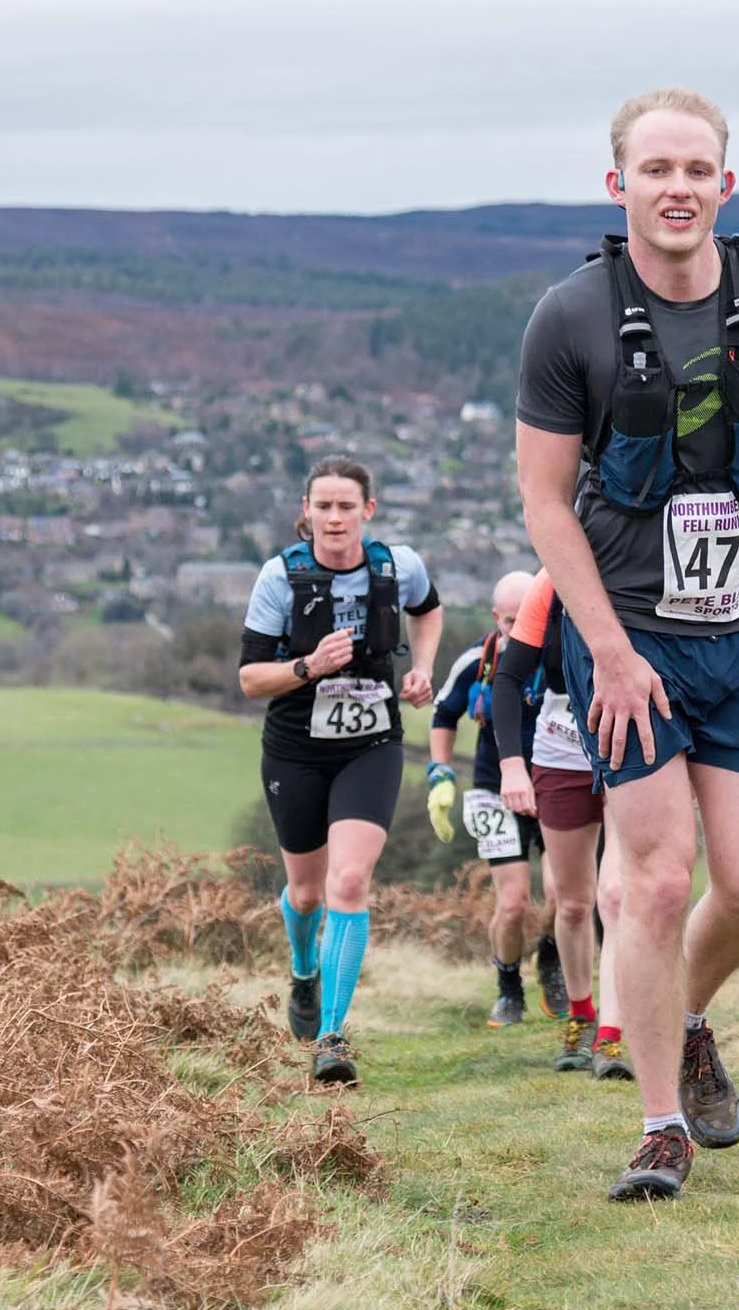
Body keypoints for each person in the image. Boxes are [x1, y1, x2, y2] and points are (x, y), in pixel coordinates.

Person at [516, 87, 739, 1200]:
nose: (676, 187)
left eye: (695, 169)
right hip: (630, 640)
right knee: (653, 881)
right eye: (653, 169)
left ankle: (691, 1017)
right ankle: (658, 1121)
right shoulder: (568, 317)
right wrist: (607, 651)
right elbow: (545, 502)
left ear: (725, 183)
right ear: (617, 186)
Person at [237, 455, 443, 1088]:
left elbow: (428, 611)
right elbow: (249, 680)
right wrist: (308, 667)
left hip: (371, 742)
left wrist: (422, 669)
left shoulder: (396, 566)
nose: (334, 517)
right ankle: (304, 969)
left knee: (348, 882)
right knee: (305, 893)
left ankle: (331, 1036)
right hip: (297, 748)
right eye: (322, 505)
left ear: (367, 512)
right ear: (306, 511)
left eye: (346, 506)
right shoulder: (280, 578)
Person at [488, 571, 633, 1079]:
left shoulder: (641, 564)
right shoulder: (550, 583)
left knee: (616, 895)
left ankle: (612, 1039)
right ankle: (582, 1016)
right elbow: (507, 678)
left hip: (630, 747)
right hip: (560, 754)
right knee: (572, 902)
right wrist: (511, 764)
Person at [427, 570, 567, 1026]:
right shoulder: (476, 661)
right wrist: (441, 773)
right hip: (493, 788)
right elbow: (443, 715)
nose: (516, 630)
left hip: (554, 782)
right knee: (513, 904)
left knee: (565, 896)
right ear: (496, 618)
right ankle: (508, 985)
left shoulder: (559, 657)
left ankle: (551, 959)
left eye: (526, 619)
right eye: (508, 622)